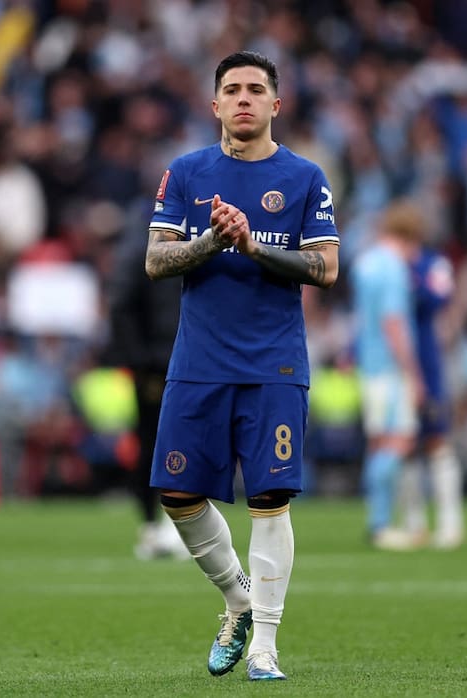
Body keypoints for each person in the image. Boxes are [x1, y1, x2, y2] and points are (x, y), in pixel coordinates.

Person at [144, 51, 339, 681]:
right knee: (177, 493)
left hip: (274, 364)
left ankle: (265, 648)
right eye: (233, 90)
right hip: (199, 361)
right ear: (216, 105)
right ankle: (239, 599)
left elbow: (326, 268)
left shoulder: (306, 177)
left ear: (276, 104)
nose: (245, 99)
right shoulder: (186, 173)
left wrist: (253, 245)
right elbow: (155, 259)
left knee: (269, 497)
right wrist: (211, 242)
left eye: (257, 89)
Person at [106, 215, 188, 561]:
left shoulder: (191, 249)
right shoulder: (141, 253)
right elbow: (121, 308)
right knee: (153, 443)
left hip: (189, 361)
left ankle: (178, 524)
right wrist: (140, 359)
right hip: (156, 365)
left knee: (186, 443)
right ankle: (152, 524)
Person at [350, 201, 424, 551]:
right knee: (398, 441)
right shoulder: (394, 268)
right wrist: (414, 373)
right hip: (390, 369)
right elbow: (393, 323)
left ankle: (379, 520)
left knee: (379, 442)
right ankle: (381, 524)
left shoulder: (365, 263)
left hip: (369, 364)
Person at [397, 244, 466, 550]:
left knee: (437, 440)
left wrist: (411, 282)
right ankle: (415, 523)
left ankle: (451, 523)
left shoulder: (432, 262)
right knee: (404, 443)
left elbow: (439, 296)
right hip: (396, 365)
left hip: (427, 363)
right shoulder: (387, 264)